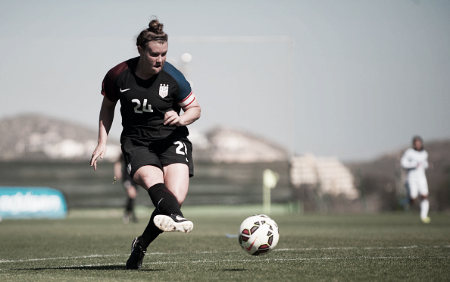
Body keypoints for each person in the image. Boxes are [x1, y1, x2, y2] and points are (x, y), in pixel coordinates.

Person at [90, 18, 201, 270]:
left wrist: (181, 117)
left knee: (175, 197)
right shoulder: (118, 75)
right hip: (137, 143)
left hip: (172, 140)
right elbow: (108, 107)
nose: (159, 59)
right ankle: (176, 216)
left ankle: (141, 244)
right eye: (154, 54)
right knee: (155, 184)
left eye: (163, 54)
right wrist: (101, 142)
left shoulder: (174, 77)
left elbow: (195, 109)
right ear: (140, 50)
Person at [400, 136, 430, 223]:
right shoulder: (409, 153)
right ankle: (404, 201)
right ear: (413, 144)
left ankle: (424, 216)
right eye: (416, 144)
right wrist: (413, 164)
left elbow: (424, 164)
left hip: (421, 177)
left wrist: (428, 165)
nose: (417, 145)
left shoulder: (424, 153)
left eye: (419, 143)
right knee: (413, 198)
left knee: (424, 196)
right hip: (412, 178)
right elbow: (403, 163)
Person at [114, 154, 138, 224]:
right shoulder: (126, 150)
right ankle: (132, 215)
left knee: (133, 196)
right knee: (131, 194)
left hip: (136, 176)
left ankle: (127, 213)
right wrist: (117, 172)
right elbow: (118, 161)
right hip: (127, 177)